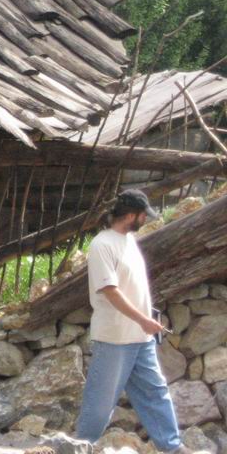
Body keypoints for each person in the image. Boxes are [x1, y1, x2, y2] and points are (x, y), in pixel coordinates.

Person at [75, 190, 188, 453]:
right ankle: (80, 447)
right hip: (115, 338)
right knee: (101, 403)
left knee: (156, 393)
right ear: (130, 215)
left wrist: (145, 323)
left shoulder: (129, 241)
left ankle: (173, 448)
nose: (145, 220)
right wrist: (144, 320)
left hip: (140, 337)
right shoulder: (102, 244)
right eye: (142, 215)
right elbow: (110, 291)